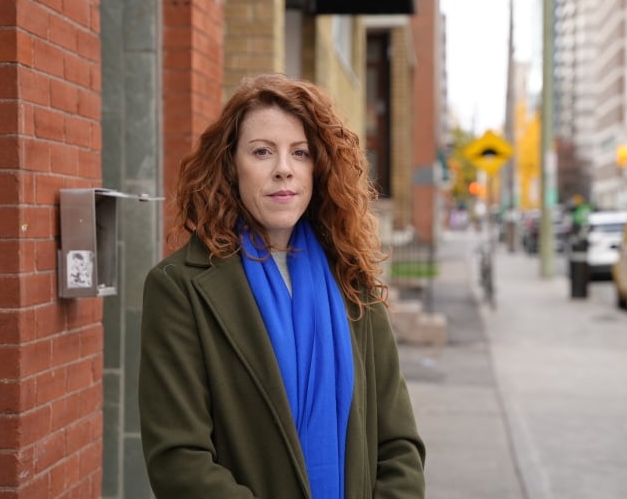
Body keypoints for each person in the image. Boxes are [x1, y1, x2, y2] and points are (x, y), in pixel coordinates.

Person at [138, 73, 426, 499]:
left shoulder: (352, 279)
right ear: (231, 166)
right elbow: (179, 460)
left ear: (319, 168)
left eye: (300, 152)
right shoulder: (179, 288)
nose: (284, 170)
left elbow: (398, 444)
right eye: (261, 152)